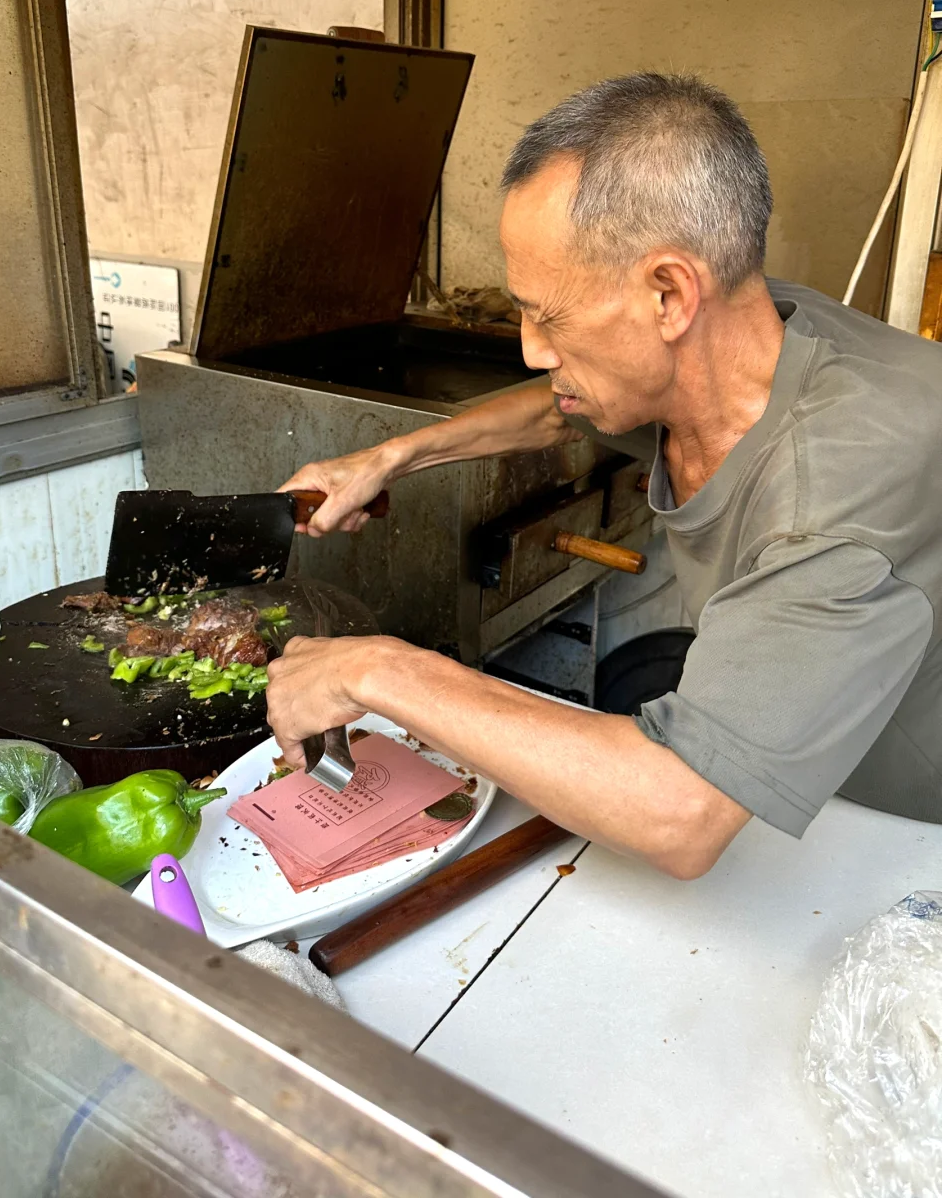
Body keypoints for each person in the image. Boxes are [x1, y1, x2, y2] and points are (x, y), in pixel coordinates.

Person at [265, 73, 942, 879]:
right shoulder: (740, 332)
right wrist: (390, 458)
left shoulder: (844, 477)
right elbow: (560, 406)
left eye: (547, 315)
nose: (531, 349)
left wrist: (375, 668)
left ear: (668, 293)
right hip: (807, 798)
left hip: (903, 840)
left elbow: (681, 810)